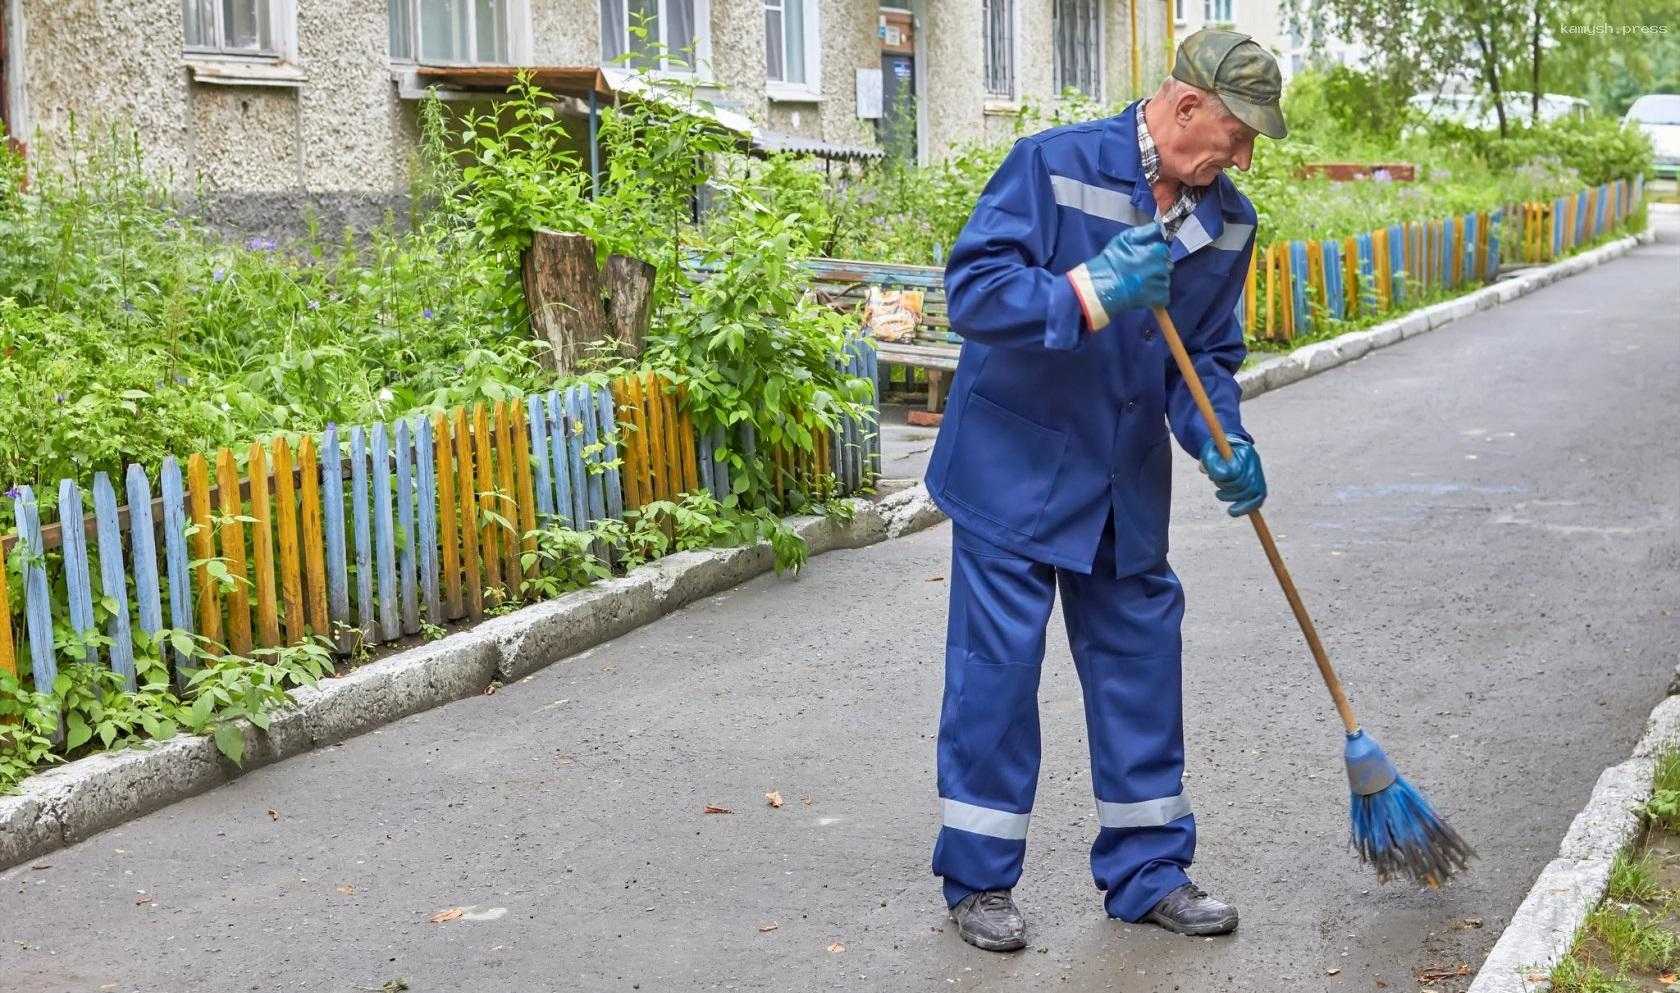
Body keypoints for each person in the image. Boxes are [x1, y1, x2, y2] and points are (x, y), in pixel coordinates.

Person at [922, 28, 1288, 951]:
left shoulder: (1228, 221)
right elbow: (973, 292)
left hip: (1122, 484)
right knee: (996, 678)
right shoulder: (1050, 166)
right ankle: (978, 879)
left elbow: (1201, 357)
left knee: (1141, 666)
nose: (1241, 157)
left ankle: (1148, 870)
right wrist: (1087, 290)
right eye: (1237, 134)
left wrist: (1223, 437)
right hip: (1014, 470)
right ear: (1186, 104)